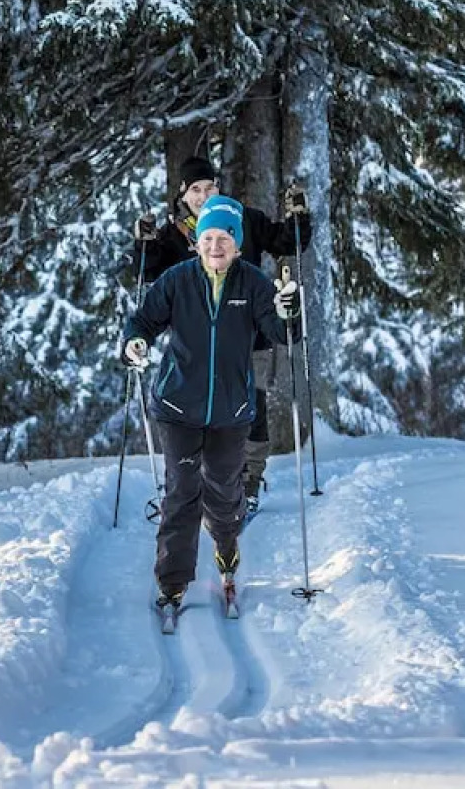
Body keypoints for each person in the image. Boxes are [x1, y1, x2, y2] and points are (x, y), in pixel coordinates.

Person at [121, 195, 300, 610]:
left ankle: (225, 544)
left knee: (223, 491)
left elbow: (279, 332)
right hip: (178, 406)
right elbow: (143, 320)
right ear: (197, 241)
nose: (215, 246)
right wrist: (134, 343)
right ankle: (172, 581)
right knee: (182, 493)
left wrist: (288, 312)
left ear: (237, 245)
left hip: (231, 410)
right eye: (208, 237)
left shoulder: (253, 283)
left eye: (225, 238)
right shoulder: (177, 280)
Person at [128, 155, 312, 514]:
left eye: (209, 186)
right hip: (195, 343)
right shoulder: (173, 236)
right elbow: (149, 276)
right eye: (195, 189)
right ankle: (197, 485)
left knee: (251, 405)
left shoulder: (247, 218)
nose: (203, 194)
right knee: (197, 410)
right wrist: (145, 245)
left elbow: (288, 242)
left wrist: (298, 218)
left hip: (250, 332)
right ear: (183, 194)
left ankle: (250, 479)